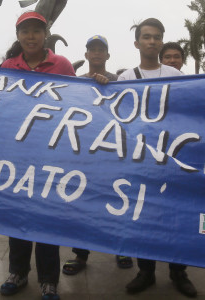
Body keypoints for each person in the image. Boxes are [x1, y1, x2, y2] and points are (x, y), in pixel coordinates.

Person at [118, 18, 197, 298]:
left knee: (176, 218)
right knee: (143, 217)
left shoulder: (177, 76)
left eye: (157, 37)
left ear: (162, 41)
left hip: (173, 160)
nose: (152, 41)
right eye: (147, 37)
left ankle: (179, 273)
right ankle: (146, 272)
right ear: (137, 42)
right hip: (140, 160)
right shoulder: (126, 78)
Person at [0, 11, 74, 300]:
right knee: (16, 215)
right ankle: (17, 273)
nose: (30, 36)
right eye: (25, 31)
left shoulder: (63, 64)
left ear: (46, 34)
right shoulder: (8, 65)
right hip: (15, 154)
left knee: (46, 218)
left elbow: (80, 102)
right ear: (18, 35)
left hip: (51, 153)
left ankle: (48, 280)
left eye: (36, 31)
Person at [63, 35, 129, 276]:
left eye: (102, 49)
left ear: (108, 55)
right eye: (93, 49)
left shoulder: (118, 81)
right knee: (82, 203)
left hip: (112, 150)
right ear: (87, 55)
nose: (97, 53)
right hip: (82, 151)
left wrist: (109, 88)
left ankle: (120, 247)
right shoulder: (75, 82)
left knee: (116, 200)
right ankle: (80, 254)